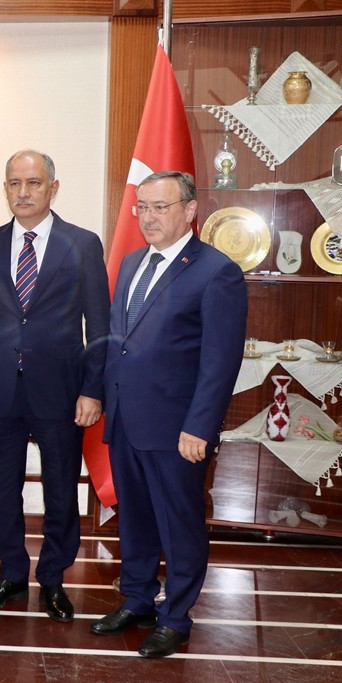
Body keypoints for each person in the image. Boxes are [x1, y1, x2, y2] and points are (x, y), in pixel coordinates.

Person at [91, 170, 246, 657]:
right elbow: (120, 344)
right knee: (134, 520)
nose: (149, 217)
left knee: (179, 526)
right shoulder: (133, 262)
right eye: (143, 207)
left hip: (178, 430)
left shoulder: (216, 271)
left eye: (162, 207)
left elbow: (221, 361)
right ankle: (137, 599)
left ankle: (176, 616)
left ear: (190, 210)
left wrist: (199, 425)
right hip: (125, 418)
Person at [0, 150, 109, 622]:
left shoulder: (82, 244)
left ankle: (53, 579)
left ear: (53, 187)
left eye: (32, 183)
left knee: (61, 490)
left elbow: (99, 323)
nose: (22, 192)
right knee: (2, 488)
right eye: (13, 184)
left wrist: (93, 389)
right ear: (5, 189)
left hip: (61, 391)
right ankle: (10, 573)